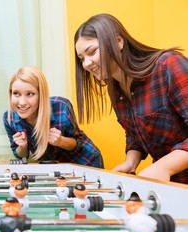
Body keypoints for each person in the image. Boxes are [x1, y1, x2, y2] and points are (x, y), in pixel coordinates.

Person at [74, 13, 188, 183]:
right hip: (171, 187)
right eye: (81, 58)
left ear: (119, 42)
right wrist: (130, 162)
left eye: (92, 52)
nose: (86, 64)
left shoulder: (168, 65)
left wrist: (164, 167)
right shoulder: (115, 89)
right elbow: (135, 130)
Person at [3, 66, 104, 168]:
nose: (22, 102)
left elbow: (78, 144)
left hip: (85, 162)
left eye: (30, 94)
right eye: (16, 93)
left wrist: (61, 141)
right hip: (55, 168)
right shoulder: (9, 118)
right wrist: (22, 146)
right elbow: (21, 155)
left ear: (41, 95)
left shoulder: (61, 106)